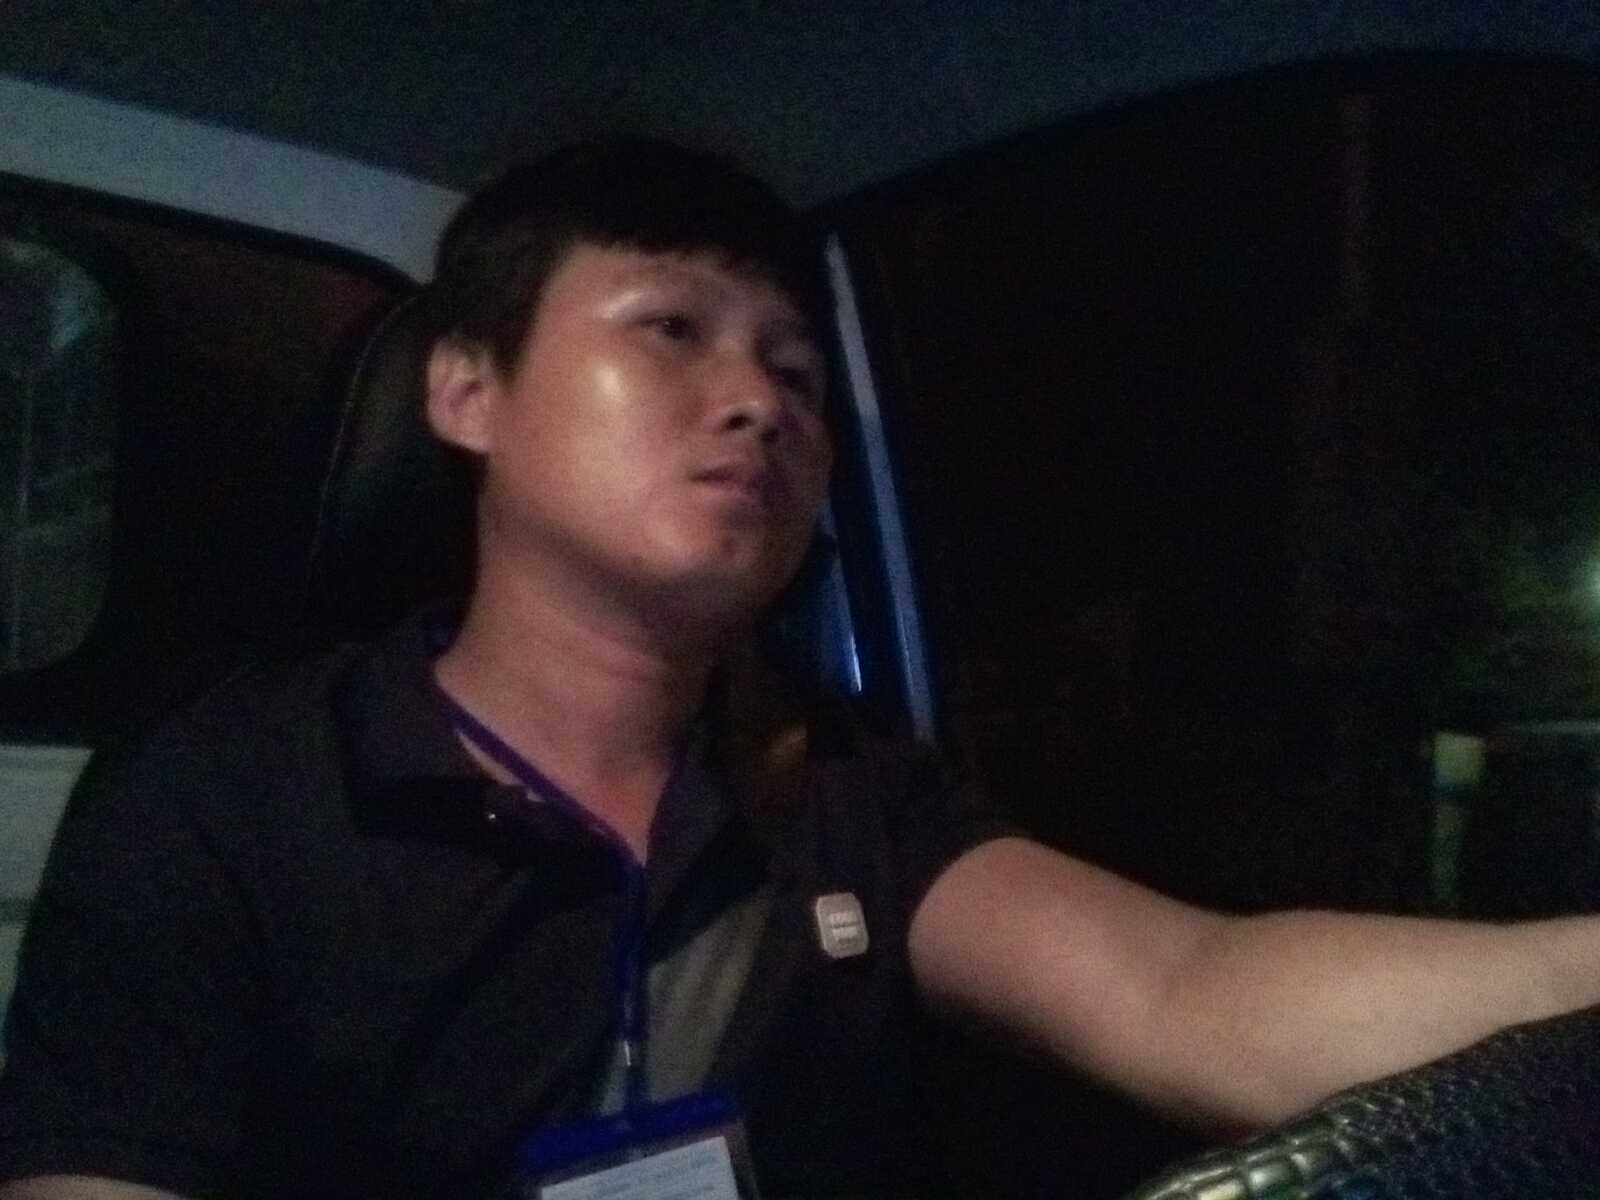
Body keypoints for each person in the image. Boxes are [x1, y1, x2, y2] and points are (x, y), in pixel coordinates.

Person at [2, 139, 1598, 1200]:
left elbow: (1187, 992)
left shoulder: (844, 795)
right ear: (468, 391)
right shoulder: (232, 789)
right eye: (671, 329)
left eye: (794, 368)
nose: (759, 401)